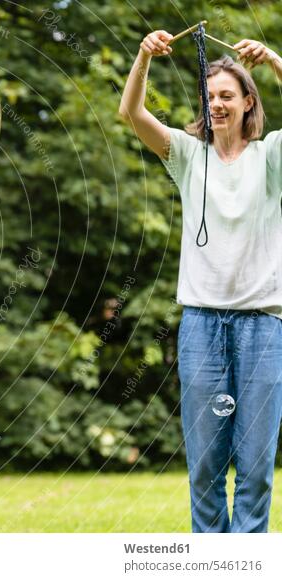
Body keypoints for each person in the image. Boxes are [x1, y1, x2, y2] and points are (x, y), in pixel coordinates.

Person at [119, 30, 282, 532]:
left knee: (255, 470)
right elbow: (132, 114)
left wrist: (276, 60)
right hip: (202, 327)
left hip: (264, 326)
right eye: (209, 96)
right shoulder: (189, 155)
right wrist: (144, 56)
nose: (216, 104)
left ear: (248, 101)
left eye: (227, 95)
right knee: (206, 468)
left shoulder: (272, 155)